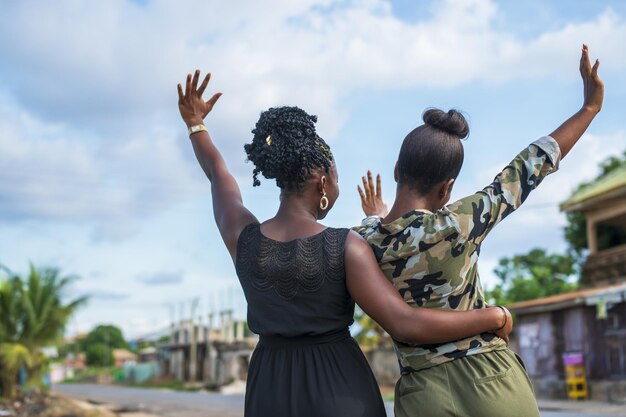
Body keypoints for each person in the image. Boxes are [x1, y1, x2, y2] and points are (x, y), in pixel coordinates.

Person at [176, 72, 513, 417]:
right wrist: (493, 316)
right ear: (323, 184)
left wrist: (195, 123)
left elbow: (219, 175)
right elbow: (404, 323)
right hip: (340, 390)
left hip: (268, 389)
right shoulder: (345, 246)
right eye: (336, 178)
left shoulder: (242, 237)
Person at [356, 44, 604, 417]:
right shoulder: (459, 222)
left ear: (396, 169)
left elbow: (377, 229)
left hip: (424, 392)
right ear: (447, 188)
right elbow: (529, 166)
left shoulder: (363, 242)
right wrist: (589, 108)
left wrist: (374, 217)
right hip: (491, 380)